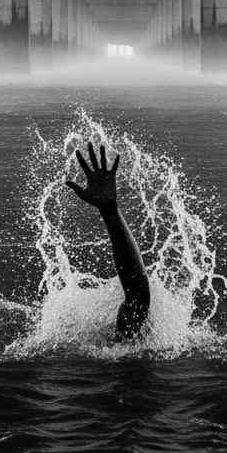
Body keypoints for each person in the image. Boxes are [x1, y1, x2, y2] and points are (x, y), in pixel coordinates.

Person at [65, 142, 150, 341]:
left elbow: (138, 297)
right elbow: (138, 296)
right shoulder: (122, 353)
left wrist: (109, 209)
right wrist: (109, 209)